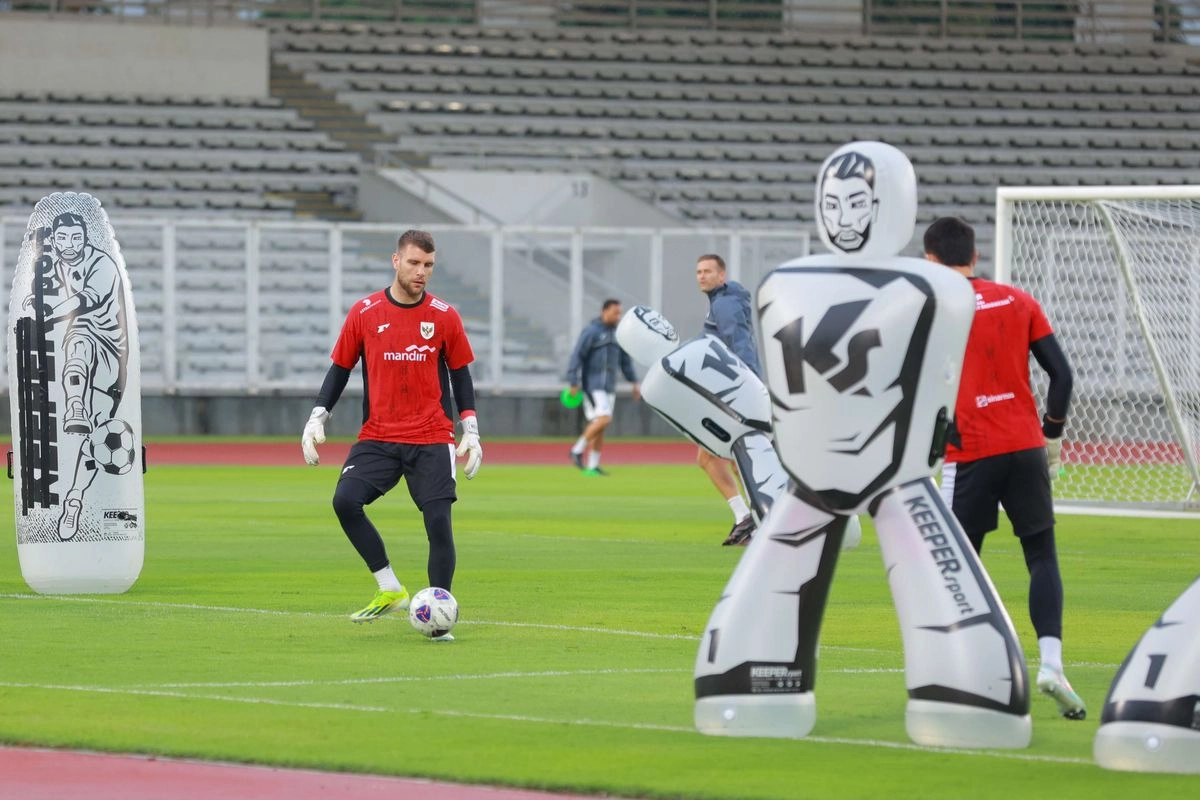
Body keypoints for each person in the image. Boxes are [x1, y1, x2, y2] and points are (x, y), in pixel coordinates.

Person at [924, 216, 1085, 720]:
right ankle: (1053, 664)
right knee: (1041, 554)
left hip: (970, 451)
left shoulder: (930, 309)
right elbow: (1062, 377)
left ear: (931, 261)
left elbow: (921, 388)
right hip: (1025, 445)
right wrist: (1052, 436)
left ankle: (969, 672)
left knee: (957, 565)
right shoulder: (1019, 300)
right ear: (974, 256)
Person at [301, 229, 482, 639]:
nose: (422, 272)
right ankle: (389, 587)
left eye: (429, 265)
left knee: (438, 522)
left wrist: (469, 426)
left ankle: (439, 618)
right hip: (379, 435)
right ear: (396, 261)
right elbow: (340, 368)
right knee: (345, 501)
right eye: (415, 263)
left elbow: (460, 372)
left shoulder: (444, 315)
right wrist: (318, 416)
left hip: (432, 435)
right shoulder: (365, 312)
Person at [695, 254, 760, 546]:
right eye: (698, 272)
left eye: (708, 271)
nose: (701, 276)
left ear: (722, 276)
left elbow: (740, 344)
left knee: (709, 457)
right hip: (731, 391)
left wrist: (749, 387)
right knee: (738, 459)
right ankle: (754, 518)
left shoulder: (724, 304)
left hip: (732, 393)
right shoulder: (724, 301)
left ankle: (748, 517)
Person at [565, 298, 640, 476]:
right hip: (593, 385)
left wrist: (634, 382)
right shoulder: (591, 332)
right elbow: (578, 355)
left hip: (609, 386)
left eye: (619, 312)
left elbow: (625, 361)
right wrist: (573, 381)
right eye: (615, 312)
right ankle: (576, 450)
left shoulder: (618, 335)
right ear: (604, 312)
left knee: (600, 425)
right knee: (605, 418)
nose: (618, 316)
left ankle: (593, 466)